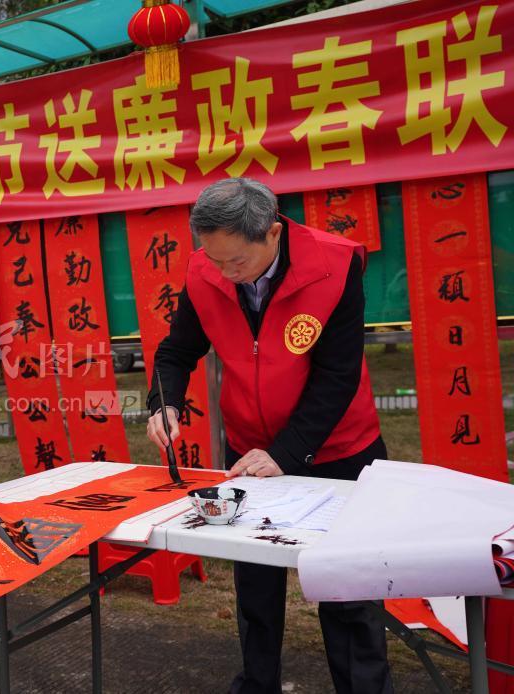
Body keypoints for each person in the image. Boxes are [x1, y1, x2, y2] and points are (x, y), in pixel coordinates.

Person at [146, 178, 393, 694]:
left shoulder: (334, 265)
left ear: (273, 233)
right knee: (256, 586)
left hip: (340, 449)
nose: (225, 273)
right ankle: (258, 685)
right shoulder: (205, 269)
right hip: (249, 453)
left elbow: (338, 376)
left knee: (347, 591)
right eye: (215, 260)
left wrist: (285, 453)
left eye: (236, 261)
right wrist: (164, 403)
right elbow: (177, 351)